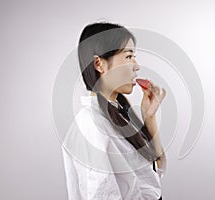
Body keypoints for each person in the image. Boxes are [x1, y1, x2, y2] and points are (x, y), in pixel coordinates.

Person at [61, 21, 167, 200]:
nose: (136, 66)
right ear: (99, 64)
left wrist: (150, 118)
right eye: (128, 56)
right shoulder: (91, 125)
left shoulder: (117, 113)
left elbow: (155, 171)